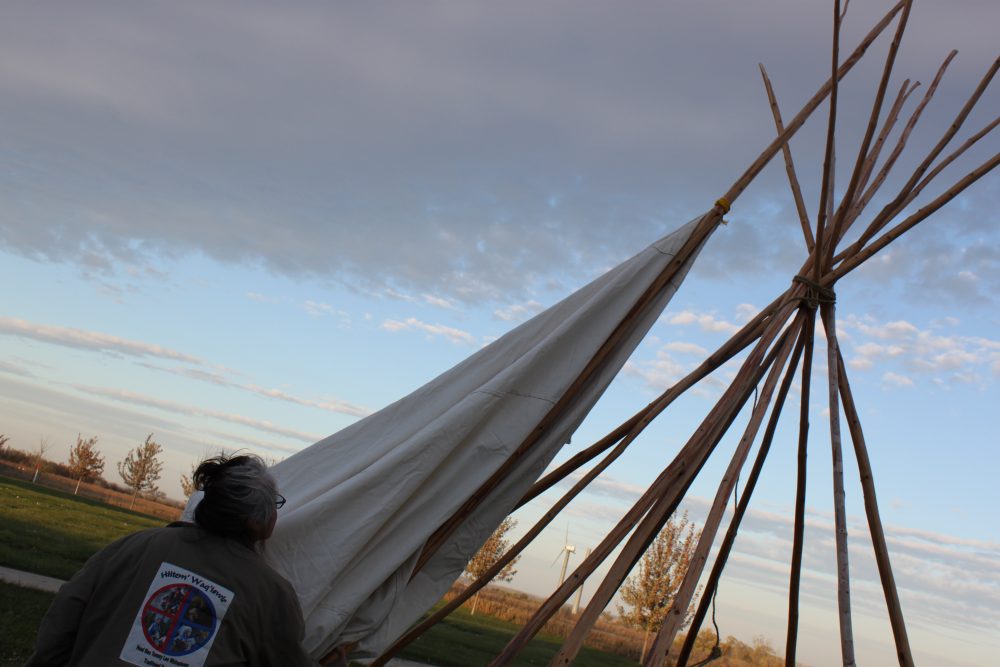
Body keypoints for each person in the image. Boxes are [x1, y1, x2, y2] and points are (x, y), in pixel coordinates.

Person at [26, 454, 315, 666]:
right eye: (275, 504)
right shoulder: (271, 593)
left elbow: (64, 615)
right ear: (257, 520)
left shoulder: (133, 546)